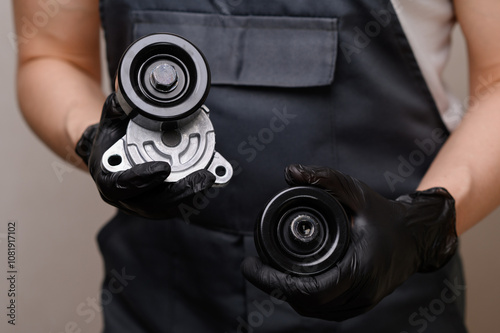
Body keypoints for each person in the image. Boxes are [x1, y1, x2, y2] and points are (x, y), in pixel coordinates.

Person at [12, 0, 500, 331]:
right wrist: (95, 141)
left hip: (391, 297)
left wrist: (422, 225)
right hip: (163, 293)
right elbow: (51, 55)